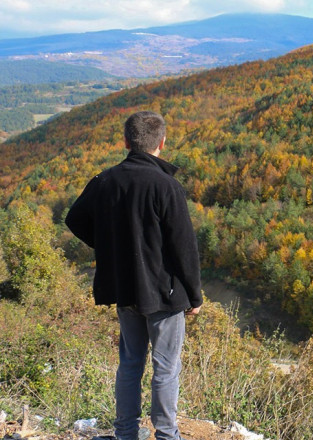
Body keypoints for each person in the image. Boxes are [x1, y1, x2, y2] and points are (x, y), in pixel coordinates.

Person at [66, 111, 202, 440]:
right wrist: (195, 295)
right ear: (162, 143)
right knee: (166, 366)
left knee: (130, 363)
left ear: (126, 142)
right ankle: (167, 435)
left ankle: (125, 433)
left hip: (125, 289)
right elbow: (184, 246)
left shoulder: (105, 181)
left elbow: (75, 219)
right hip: (164, 294)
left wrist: (109, 246)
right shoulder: (167, 186)